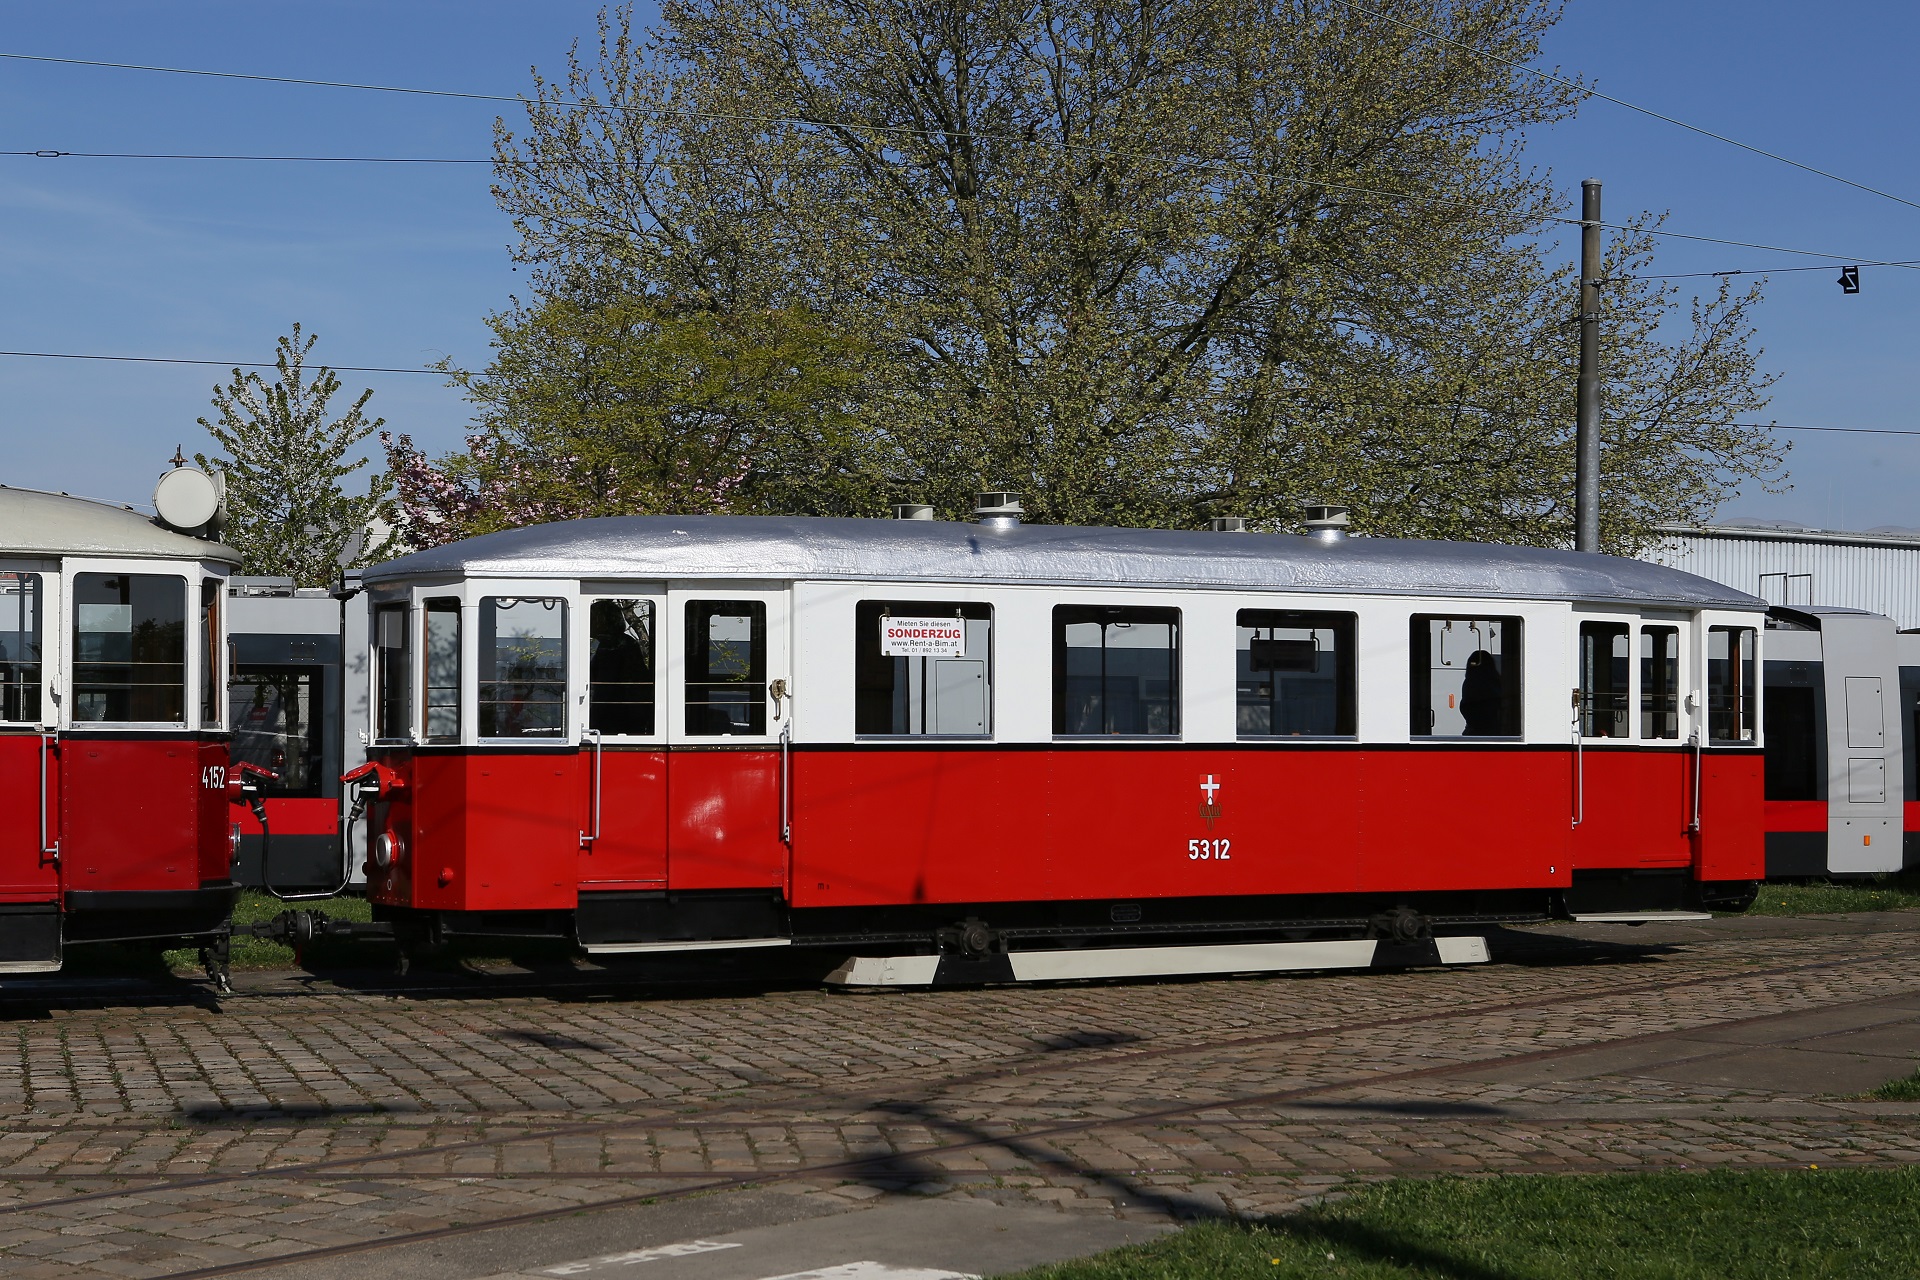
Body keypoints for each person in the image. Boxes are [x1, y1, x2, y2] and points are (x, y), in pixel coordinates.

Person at [1459, 649, 1504, 735]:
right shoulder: (1497, 682)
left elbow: (1467, 707)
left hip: (1476, 730)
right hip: (1494, 730)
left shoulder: (1471, 682)